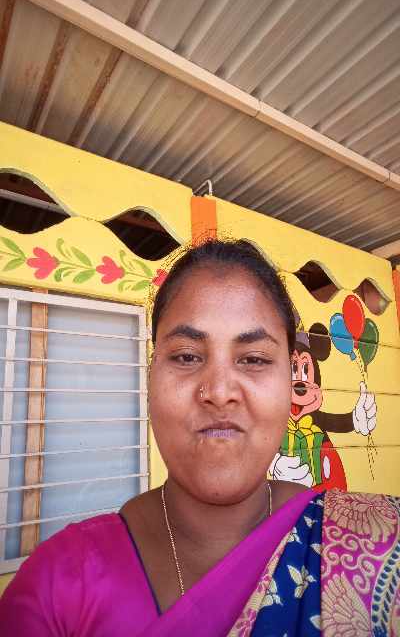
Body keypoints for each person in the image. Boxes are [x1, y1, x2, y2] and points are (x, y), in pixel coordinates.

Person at [0, 239, 399, 636]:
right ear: (151, 377)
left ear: (288, 381)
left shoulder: (375, 544)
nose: (220, 391)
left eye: (254, 359)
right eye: (187, 356)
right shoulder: (58, 585)